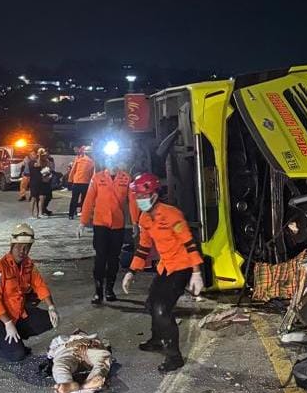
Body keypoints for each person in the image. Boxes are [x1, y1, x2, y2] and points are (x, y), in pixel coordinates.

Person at [122, 173, 204, 373]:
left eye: (143, 196)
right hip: (166, 266)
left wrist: (196, 272)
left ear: (154, 194)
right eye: (137, 197)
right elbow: (143, 247)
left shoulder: (171, 214)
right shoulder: (144, 218)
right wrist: (132, 271)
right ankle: (157, 339)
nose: (140, 200)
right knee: (151, 304)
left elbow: (189, 242)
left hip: (182, 266)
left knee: (161, 309)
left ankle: (174, 356)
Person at [0, 224, 59, 362]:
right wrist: (7, 323)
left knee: (49, 320)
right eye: (19, 247)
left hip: (17, 315)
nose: (22, 251)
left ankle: (14, 340)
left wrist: (51, 307)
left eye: (26, 247)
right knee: (17, 355)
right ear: (12, 245)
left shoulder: (28, 265)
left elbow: (39, 284)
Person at [80, 160, 135, 304]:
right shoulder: (97, 178)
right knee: (100, 258)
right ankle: (98, 291)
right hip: (100, 225)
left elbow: (132, 201)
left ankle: (109, 289)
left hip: (117, 225)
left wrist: (135, 223)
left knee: (113, 259)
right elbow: (89, 200)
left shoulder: (126, 178)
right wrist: (83, 222)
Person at [66, 146, 95, 220]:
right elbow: (92, 174)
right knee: (83, 200)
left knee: (76, 199)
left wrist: (70, 180)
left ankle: (72, 214)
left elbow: (73, 170)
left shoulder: (80, 159)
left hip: (79, 182)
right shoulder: (91, 161)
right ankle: (81, 213)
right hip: (84, 182)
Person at [28, 148, 55, 218]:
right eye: (33, 154)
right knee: (34, 198)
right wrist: (40, 154)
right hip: (34, 182)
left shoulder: (43, 161)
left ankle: (40, 213)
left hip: (41, 182)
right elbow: (38, 165)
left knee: (42, 197)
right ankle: (32, 215)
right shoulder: (31, 162)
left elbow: (47, 168)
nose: (34, 155)